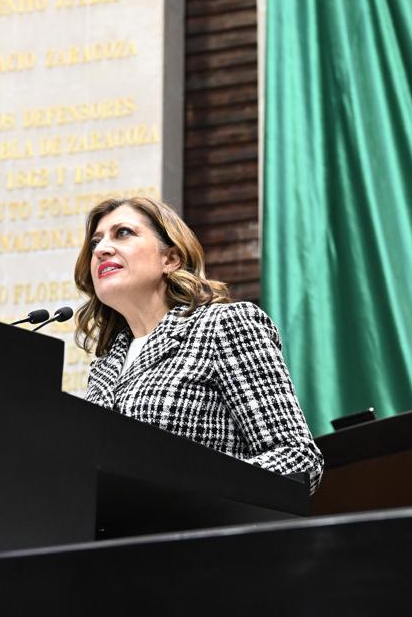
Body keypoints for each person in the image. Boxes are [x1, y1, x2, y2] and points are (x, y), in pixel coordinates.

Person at [73, 196, 324, 491]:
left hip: (204, 519)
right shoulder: (104, 367)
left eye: (123, 233)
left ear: (170, 259)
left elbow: (298, 458)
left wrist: (194, 490)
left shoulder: (224, 325)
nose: (101, 249)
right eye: (95, 242)